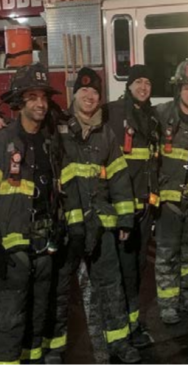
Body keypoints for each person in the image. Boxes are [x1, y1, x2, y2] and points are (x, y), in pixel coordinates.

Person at [46, 67, 140, 363]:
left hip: (102, 225)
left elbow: (119, 179)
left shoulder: (107, 134)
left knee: (111, 285)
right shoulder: (57, 131)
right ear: (74, 95)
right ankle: (55, 348)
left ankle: (119, 343)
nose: (89, 96)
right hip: (68, 227)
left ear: (101, 99)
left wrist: (125, 219)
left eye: (95, 92)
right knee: (60, 290)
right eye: (84, 91)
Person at [0, 64, 62, 364]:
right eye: (33, 97)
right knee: (11, 315)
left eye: (44, 97)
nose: (41, 103)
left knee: (40, 308)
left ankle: (34, 358)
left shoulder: (50, 141)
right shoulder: (3, 142)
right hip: (13, 246)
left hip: (44, 240)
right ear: (19, 102)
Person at [104, 64, 159, 348]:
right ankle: (120, 329)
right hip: (123, 207)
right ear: (128, 85)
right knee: (124, 270)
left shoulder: (152, 116)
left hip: (145, 207)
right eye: (138, 81)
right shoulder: (113, 112)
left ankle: (132, 322)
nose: (143, 87)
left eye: (147, 82)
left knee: (138, 267)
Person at [155, 59, 188, 325]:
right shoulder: (161, 115)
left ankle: (187, 297)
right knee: (167, 254)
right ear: (179, 90)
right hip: (169, 200)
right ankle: (168, 304)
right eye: (187, 87)